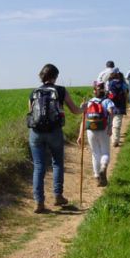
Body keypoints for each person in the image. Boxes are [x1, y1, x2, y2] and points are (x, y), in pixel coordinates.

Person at [27, 63, 84, 213]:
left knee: (38, 166)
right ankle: (58, 196)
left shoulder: (34, 92)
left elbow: (31, 113)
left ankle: (39, 202)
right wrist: (83, 108)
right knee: (57, 163)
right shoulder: (60, 90)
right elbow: (74, 110)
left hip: (36, 133)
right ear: (55, 76)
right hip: (54, 132)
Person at [77, 82, 115, 187]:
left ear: (94, 91)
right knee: (105, 152)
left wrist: (80, 135)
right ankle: (103, 167)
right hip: (103, 129)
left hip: (90, 131)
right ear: (104, 90)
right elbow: (111, 112)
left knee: (95, 154)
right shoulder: (107, 101)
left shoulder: (89, 102)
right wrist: (110, 126)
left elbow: (83, 120)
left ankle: (97, 177)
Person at [107, 69, 128, 147]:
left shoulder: (109, 83)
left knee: (111, 123)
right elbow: (126, 94)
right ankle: (115, 141)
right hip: (120, 106)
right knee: (117, 125)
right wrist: (126, 105)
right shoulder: (123, 83)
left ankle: (111, 139)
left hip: (110, 106)